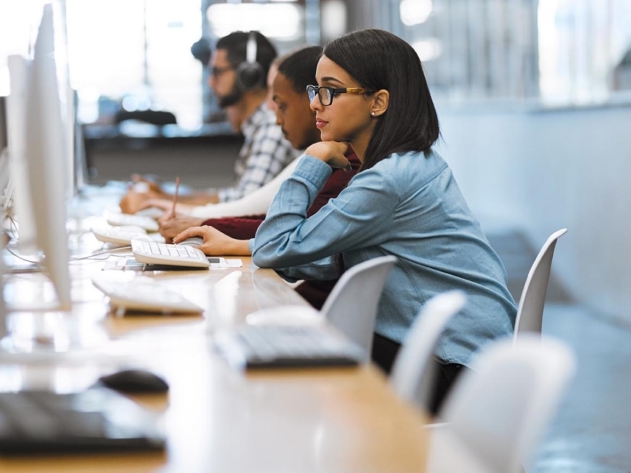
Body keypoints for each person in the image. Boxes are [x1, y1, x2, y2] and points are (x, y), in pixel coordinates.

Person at [174, 28, 518, 412]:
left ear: (378, 102)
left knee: (279, 375)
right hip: (467, 354)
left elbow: (277, 247)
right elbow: (330, 254)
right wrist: (245, 246)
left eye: (330, 91)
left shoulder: (387, 180)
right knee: (279, 353)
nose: (316, 105)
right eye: (315, 90)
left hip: (454, 366)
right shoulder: (403, 165)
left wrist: (312, 160)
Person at [158, 46, 360, 247]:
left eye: (328, 92)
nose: (315, 103)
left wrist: (207, 227)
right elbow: (284, 227)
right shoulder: (337, 155)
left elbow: (291, 236)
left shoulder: (351, 164)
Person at [120, 30, 297, 212]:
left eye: (217, 72)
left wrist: (157, 202)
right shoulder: (259, 127)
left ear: (248, 76)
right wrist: (165, 196)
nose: (210, 82)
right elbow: (235, 196)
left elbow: (243, 207)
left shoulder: (271, 128)